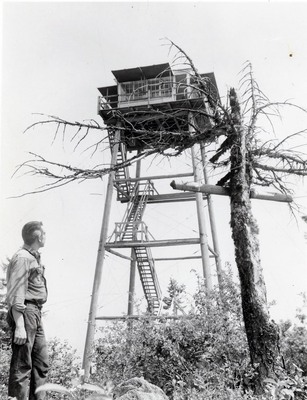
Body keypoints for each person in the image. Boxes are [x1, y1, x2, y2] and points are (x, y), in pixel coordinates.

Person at [6, 221, 49, 400]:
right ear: (38, 237)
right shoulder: (23, 257)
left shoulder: (32, 257)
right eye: (44, 233)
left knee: (41, 364)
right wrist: (20, 324)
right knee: (23, 365)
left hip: (34, 313)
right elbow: (17, 293)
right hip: (25, 313)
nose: (46, 236)